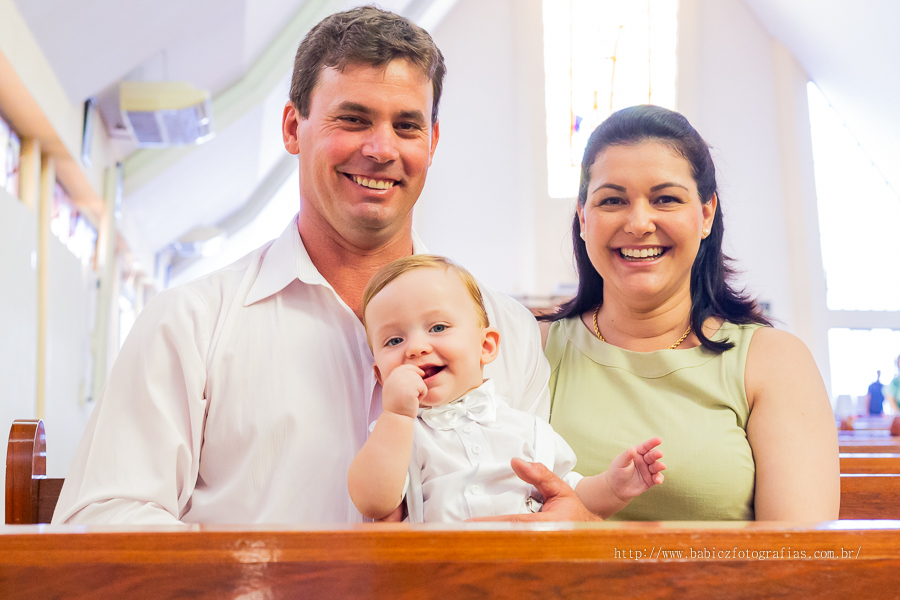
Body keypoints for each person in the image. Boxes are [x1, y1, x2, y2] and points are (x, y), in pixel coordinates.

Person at [52, 7, 562, 524]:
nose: (381, 148)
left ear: (431, 143)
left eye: (406, 125)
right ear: (294, 128)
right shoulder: (191, 323)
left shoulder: (506, 330)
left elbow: (542, 509)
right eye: (353, 119)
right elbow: (101, 520)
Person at [539, 105, 840, 521]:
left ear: (706, 214)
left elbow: (799, 561)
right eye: (613, 200)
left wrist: (594, 530)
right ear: (583, 218)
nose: (639, 222)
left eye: (665, 199)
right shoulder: (533, 349)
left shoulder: (774, 362)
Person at [348, 255, 665, 522]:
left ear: (486, 346)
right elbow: (373, 501)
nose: (416, 347)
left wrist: (613, 487)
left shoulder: (528, 428)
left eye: (438, 327)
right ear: (380, 374)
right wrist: (396, 415)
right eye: (394, 340)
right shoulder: (398, 436)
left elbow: (571, 496)